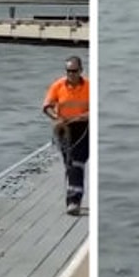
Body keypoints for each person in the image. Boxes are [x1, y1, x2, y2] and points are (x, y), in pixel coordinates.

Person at [42, 55, 90, 216]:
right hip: (64, 128)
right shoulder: (58, 86)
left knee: (77, 162)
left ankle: (74, 201)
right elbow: (47, 106)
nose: (71, 74)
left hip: (83, 127)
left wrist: (86, 115)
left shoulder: (89, 87)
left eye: (74, 71)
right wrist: (56, 117)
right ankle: (72, 197)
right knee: (69, 164)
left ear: (81, 70)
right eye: (68, 71)